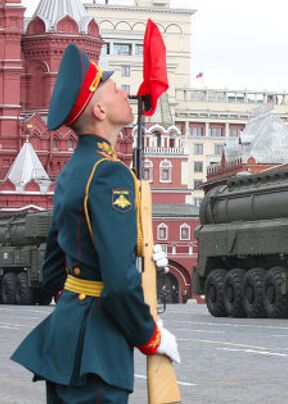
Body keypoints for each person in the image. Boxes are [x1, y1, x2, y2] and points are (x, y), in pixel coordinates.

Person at [11, 44, 180, 403]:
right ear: (100, 110)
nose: (123, 91)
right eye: (113, 87)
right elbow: (118, 281)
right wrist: (150, 334)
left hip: (67, 340)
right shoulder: (110, 175)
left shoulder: (73, 171)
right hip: (98, 352)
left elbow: (56, 269)